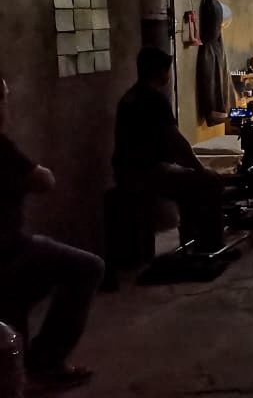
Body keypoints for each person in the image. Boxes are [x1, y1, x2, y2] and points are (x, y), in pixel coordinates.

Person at [0, 74, 102, 388]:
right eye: (3, 98)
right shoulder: (1, 147)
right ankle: (46, 362)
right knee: (88, 267)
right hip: (9, 248)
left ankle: (19, 367)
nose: (7, 106)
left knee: (20, 292)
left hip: (11, 247)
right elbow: (45, 180)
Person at [112, 48, 225, 254]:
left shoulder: (129, 98)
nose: (169, 74)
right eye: (168, 70)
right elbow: (176, 141)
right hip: (146, 173)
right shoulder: (153, 101)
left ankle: (192, 242)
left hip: (126, 171)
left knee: (189, 180)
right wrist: (200, 169)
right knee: (209, 182)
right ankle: (207, 248)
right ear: (159, 72)